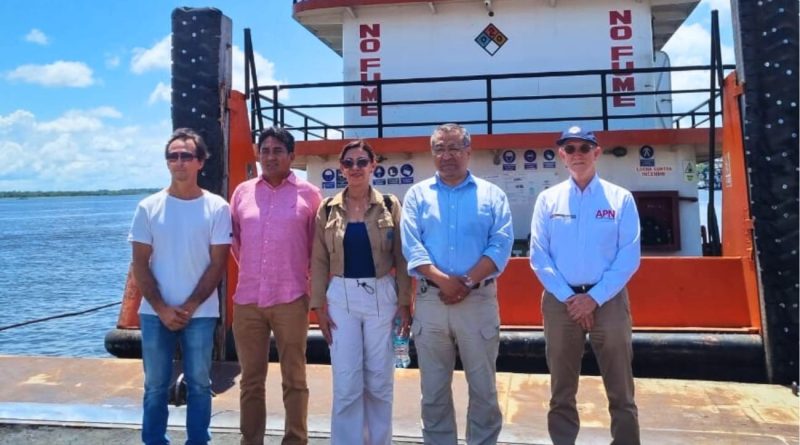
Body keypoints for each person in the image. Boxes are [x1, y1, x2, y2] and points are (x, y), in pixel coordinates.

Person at [401, 123, 513, 445]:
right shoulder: (417, 195)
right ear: (432, 153)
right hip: (431, 302)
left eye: (454, 148)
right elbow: (412, 246)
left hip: (477, 302)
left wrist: (466, 281)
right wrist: (443, 282)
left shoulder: (492, 195)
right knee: (433, 391)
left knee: (484, 390)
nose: (447, 155)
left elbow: (500, 244)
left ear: (468, 151)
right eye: (440, 149)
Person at [529, 126, 641, 445]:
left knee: (621, 388)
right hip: (560, 302)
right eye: (570, 149)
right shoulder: (547, 200)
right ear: (562, 155)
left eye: (584, 148)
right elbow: (539, 255)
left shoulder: (620, 199)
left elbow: (629, 255)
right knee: (561, 389)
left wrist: (593, 298)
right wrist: (571, 298)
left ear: (597, 152)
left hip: (609, 300)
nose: (577, 154)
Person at [129, 128, 232, 445]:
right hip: (154, 314)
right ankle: (154, 440)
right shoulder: (148, 207)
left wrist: (189, 306)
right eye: (172, 156)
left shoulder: (217, 207)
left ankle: (198, 440)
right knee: (155, 385)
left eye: (186, 155)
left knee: (200, 384)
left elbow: (218, 264)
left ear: (200, 161)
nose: (179, 162)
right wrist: (161, 308)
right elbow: (139, 264)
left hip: (200, 314)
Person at [310, 139, 412, 445]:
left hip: (382, 293)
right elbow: (318, 259)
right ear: (341, 169)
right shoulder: (327, 208)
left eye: (362, 162)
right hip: (340, 296)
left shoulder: (390, 205)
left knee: (380, 381)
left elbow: (401, 257)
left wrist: (405, 303)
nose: (355, 168)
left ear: (373, 166)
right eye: (349, 163)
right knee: (346, 383)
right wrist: (318, 306)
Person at [229, 126, 322, 445]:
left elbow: (315, 247)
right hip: (248, 300)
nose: (270, 157)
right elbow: (236, 241)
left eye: (278, 151)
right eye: (265, 150)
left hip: (291, 298)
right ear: (259, 154)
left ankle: (295, 440)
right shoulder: (242, 193)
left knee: (294, 378)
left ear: (291, 156)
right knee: (250, 381)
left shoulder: (310, 194)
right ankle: (251, 440)